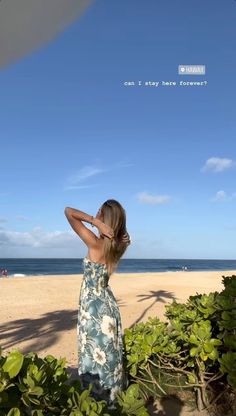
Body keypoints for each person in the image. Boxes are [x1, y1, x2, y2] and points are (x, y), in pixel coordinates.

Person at [64, 199, 131, 406]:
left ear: (105, 218)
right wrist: (113, 228)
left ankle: (97, 403)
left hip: (93, 308)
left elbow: (68, 211)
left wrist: (94, 222)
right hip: (108, 304)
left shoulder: (94, 242)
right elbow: (127, 238)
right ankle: (114, 401)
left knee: (93, 355)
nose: (95, 215)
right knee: (109, 354)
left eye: (99, 212)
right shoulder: (120, 245)